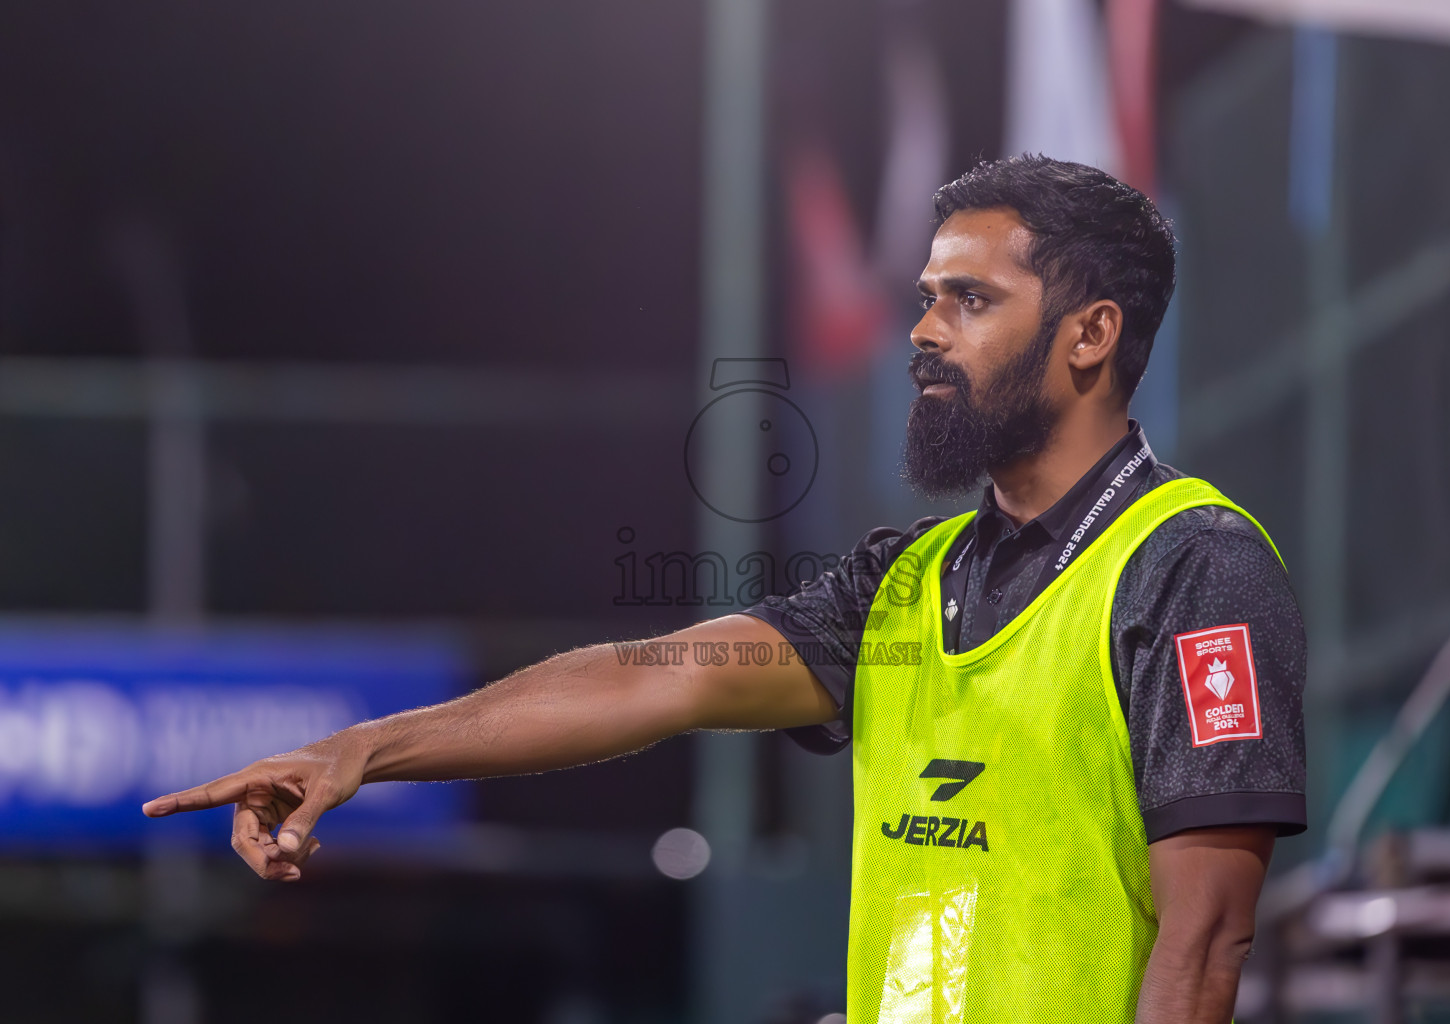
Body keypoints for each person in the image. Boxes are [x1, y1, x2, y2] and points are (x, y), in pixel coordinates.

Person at [144, 155, 1305, 1023]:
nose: (921, 332)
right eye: (927, 295)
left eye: (971, 300)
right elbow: (643, 681)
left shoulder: (1194, 566)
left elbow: (1203, 945)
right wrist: (363, 751)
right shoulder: (903, 582)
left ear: (1091, 333)